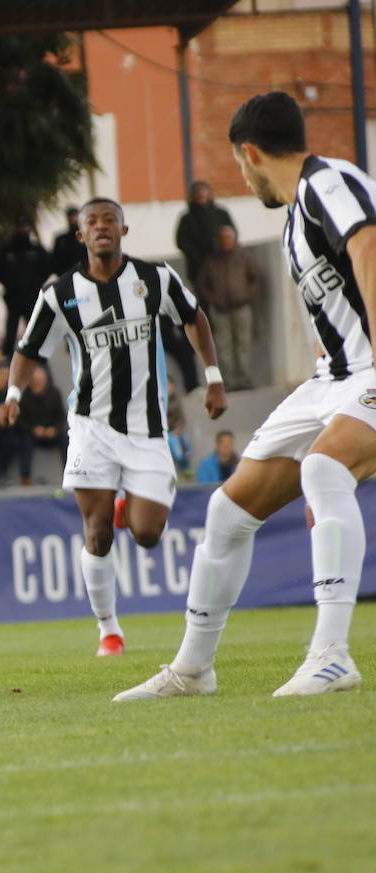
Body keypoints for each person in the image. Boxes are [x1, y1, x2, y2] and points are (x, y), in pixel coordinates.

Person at [119, 93, 376, 699]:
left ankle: (332, 655)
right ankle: (192, 669)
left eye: (240, 164)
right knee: (226, 513)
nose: (242, 175)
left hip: (367, 371)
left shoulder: (327, 183)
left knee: (324, 469)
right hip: (335, 377)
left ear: (251, 153)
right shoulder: (296, 213)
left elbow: (368, 245)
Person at [0, 196, 227, 658]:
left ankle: (128, 507)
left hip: (147, 429)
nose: (101, 227)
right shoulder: (60, 293)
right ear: (79, 235)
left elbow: (193, 317)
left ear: (123, 231)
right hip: (91, 428)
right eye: (92, 222)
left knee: (146, 535)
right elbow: (27, 350)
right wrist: (13, 395)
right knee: (97, 533)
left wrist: (214, 377)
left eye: (110, 220)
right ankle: (109, 630)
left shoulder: (155, 278)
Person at [195, 225, 263, 390]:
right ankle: (230, 381)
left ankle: (245, 379)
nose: (226, 241)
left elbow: (256, 278)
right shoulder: (211, 260)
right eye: (223, 238)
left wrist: (248, 294)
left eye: (229, 238)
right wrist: (213, 299)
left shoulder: (244, 257)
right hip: (221, 310)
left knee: (244, 344)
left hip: (242, 308)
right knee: (224, 346)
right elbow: (201, 284)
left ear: (235, 239)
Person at [0, 217, 51, 355]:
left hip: (32, 295)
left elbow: (47, 268)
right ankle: (7, 353)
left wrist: (35, 284)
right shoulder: (6, 251)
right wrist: (10, 285)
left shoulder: (36, 250)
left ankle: (34, 350)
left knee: (32, 325)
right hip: (13, 296)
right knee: (11, 326)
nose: (21, 231)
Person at [175, 180, 236, 286]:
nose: (201, 195)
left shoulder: (221, 213)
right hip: (198, 268)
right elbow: (181, 242)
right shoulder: (186, 218)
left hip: (222, 265)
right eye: (197, 192)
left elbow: (232, 234)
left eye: (204, 191)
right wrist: (196, 254)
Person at [19, 363, 68, 463]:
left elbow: (61, 416)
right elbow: (20, 420)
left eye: (41, 381)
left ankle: (69, 472)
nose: (39, 384)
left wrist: (55, 429)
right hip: (32, 432)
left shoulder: (54, 393)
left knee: (67, 439)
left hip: (51, 431)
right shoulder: (23, 396)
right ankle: (25, 476)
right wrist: (33, 429)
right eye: (36, 381)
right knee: (25, 441)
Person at [49, 206, 84, 276]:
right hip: (68, 276)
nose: (73, 219)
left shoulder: (87, 236)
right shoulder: (61, 239)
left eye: (75, 216)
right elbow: (55, 261)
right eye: (71, 216)